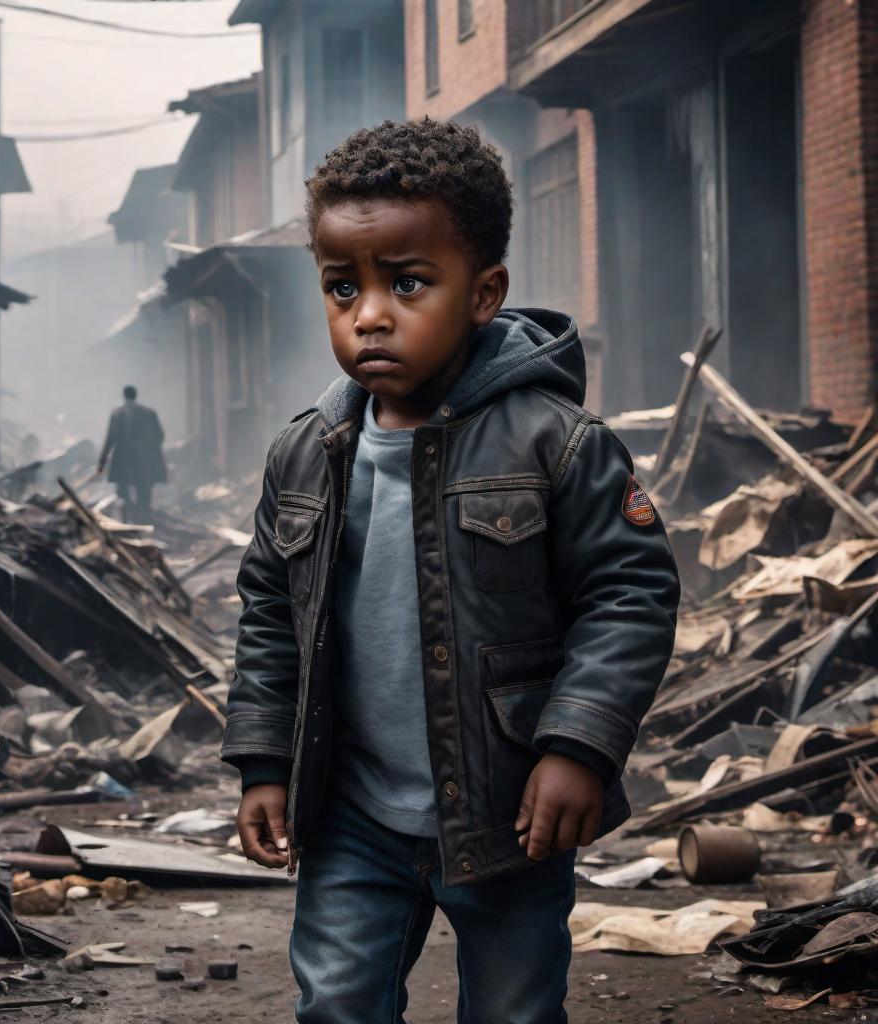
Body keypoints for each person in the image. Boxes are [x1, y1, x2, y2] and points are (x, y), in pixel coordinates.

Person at [223, 119, 680, 1023]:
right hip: (351, 813)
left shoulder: (558, 445)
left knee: (513, 1012)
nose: (369, 313)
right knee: (336, 1007)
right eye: (341, 287)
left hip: (513, 811)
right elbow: (270, 611)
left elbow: (629, 595)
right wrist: (264, 760)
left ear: (484, 293)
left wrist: (577, 746)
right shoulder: (305, 456)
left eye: (408, 282)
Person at [97, 385, 166, 523]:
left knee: (123, 492)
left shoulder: (116, 414)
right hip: (143, 460)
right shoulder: (149, 413)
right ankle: (143, 518)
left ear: (124, 396)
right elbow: (160, 436)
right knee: (144, 491)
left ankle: (127, 520)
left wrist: (102, 462)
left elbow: (110, 439)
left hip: (123, 461)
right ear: (136, 395)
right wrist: (147, 449)